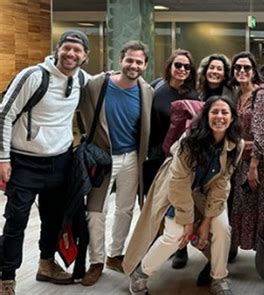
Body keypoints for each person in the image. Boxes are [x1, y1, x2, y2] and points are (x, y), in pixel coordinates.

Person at [122, 95, 244, 295]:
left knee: (222, 228)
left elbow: (222, 184)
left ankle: (218, 278)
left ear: (232, 118)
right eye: (214, 112)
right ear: (205, 116)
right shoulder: (189, 141)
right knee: (175, 235)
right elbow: (179, 184)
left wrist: (205, 223)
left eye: (225, 112)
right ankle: (141, 273)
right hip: (176, 190)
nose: (219, 117)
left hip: (206, 193)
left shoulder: (235, 145)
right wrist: (188, 222)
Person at [0, 30, 90, 294]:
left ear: (85, 57)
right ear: (57, 49)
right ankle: (7, 277)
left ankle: (46, 264)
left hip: (60, 161)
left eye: (77, 50)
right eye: (67, 48)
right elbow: (4, 114)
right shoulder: (33, 76)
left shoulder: (82, 79)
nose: (71, 54)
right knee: (16, 221)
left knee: (54, 219)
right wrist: (3, 158)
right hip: (24, 162)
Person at [78, 40, 153, 286]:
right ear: (121, 60)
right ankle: (96, 260)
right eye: (129, 60)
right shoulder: (97, 84)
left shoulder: (146, 92)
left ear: (145, 65)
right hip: (102, 157)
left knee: (126, 209)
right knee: (96, 211)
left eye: (138, 61)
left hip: (132, 157)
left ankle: (115, 254)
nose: (133, 65)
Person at [145, 49, 199, 269]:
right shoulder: (157, 91)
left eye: (187, 67)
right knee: (155, 203)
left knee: (178, 201)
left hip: (182, 157)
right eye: (178, 65)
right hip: (157, 155)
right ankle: (156, 244)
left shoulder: (194, 95)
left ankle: (181, 249)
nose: (182, 70)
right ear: (170, 67)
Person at [229, 51, 264, 252]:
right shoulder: (237, 94)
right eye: (238, 67)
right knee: (240, 207)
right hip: (238, 160)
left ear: (254, 71)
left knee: (258, 208)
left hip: (255, 163)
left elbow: (262, 132)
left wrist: (254, 166)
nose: (242, 71)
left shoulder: (260, 95)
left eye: (247, 67)